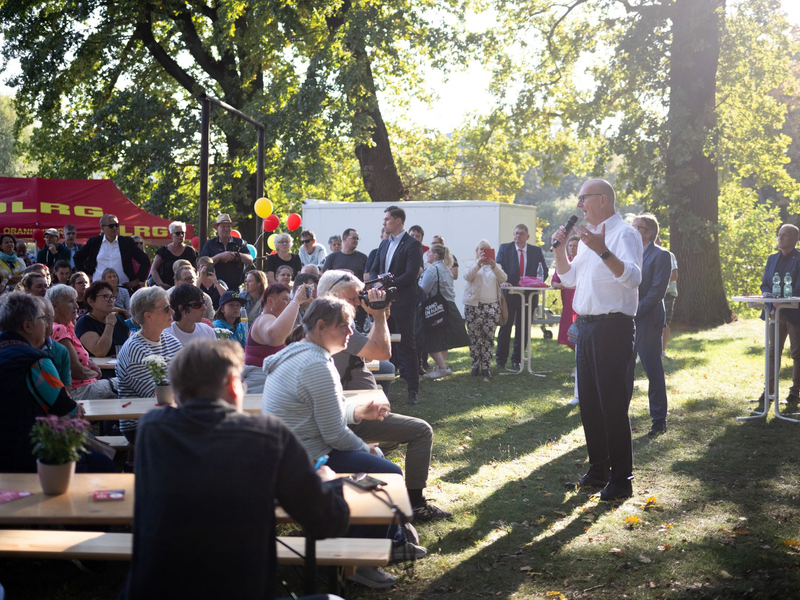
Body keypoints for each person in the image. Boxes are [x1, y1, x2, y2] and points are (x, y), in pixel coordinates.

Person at [119, 339, 350, 600]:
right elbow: (328, 523)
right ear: (232, 384)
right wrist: (329, 482)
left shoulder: (152, 428)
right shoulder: (269, 435)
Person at [262, 297, 419, 589]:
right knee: (387, 474)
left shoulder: (298, 353)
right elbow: (334, 435)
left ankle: (389, 539)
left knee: (374, 464)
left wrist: (358, 414)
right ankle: (359, 562)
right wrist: (366, 447)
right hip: (305, 459)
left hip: (286, 453)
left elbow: (319, 412)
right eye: (344, 326)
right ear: (321, 326)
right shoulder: (316, 364)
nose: (351, 331)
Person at [318, 271, 451, 522]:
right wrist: (378, 316)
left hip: (352, 408)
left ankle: (368, 478)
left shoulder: (327, 322)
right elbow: (382, 353)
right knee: (421, 431)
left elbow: (367, 352)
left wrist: (381, 317)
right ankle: (415, 503)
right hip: (349, 415)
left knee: (386, 443)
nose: (359, 301)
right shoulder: (336, 324)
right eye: (353, 297)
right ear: (333, 294)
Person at [553, 179, 642, 502]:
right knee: (589, 404)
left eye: (584, 198)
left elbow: (633, 278)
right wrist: (561, 249)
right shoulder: (588, 238)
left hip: (613, 329)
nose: (579, 205)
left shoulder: (624, 234)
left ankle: (622, 479)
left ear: (602, 200)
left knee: (612, 405)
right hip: (587, 328)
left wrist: (602, 250)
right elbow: (569, 278)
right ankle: (598, 470)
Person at [0, 292, 114, 474]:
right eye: (42, 319)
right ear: (28, 326)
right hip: (30, 455)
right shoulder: (36, 362)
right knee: (104, 465)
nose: (47, 325)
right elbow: (68, 409)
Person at [370, 205, 424, 405]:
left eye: (387, 219)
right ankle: (381, 386)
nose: (384, 223)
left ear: (398, 221)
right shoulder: (384, 244)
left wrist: (385, 283)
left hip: (403, 302)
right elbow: (375, 268)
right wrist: (377, 282)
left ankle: (412, 390)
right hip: (382, 302)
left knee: (407, 344)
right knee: (381, 342)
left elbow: (410, 276)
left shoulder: (412, 245)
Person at [117, 286, 183, 444]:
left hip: (169, 416)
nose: (172, 312)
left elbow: (190, 376)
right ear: (148, 315)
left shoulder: (170, 340)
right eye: (166, 308)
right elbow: (157, 398)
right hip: (142, 424)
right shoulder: (135, 350)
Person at [630, 214, 672, 436]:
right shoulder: (630, 254)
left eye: (636, 227)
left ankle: (659, 420)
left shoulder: (661, 255)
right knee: (625, 370)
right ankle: (619, 418)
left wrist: (634, 310)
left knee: (652, 371)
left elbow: (657, 291)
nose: (632, 229)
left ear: (648, 233)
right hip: (627, 319)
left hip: (648, 320)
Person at [47, 284, 118, 400]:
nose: (76, 306)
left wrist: (90, 363)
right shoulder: (58, 329)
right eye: (70, 302)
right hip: (79, 391)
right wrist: (95, 374)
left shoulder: (68, 326)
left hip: (86, 386)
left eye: (75, 301)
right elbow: (77, 372)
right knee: (129, 383)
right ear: (55, 306)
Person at [496, 223, 548, 371]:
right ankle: (501, 359)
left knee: (523, 328)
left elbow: (543, 271)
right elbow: (498, 267)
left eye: (521, 234)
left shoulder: (535, 251)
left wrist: (538, 282)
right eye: (516, 233)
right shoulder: (505, 249)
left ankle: (517, 360)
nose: (518, 236)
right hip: (510, 294)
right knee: (505, 327)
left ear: (528, 236)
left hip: (528, 295)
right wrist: (503, 281)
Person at [758, 223, 800, 409]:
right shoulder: (771, 259)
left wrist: (781, 303)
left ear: (794, 239)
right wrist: (772, 305)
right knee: (772, 352)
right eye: (779, 234)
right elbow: (765, 285)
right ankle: (770, 391)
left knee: (797, 354)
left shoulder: (799, 259)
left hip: (794, 314)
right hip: (774, 313)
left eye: (784, 235)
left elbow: (798, 287)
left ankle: (794, 393)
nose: (780, 238)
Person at [418, 244, 470, 379]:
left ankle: (442, 368)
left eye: (429, 252)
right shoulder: (447, 268)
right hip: (448, 307)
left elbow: (423, 290)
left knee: (429, 339)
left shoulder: (432, 269)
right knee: (443, 340)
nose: (427, 254)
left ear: (435, 255)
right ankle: (439, 369)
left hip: (435, 308)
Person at [463, 239, 508, 379]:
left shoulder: (496, 266)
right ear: (476, 252)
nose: (483, 252)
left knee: (488, 338)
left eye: (486, 249)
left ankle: (486, 366)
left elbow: (504, 278)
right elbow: (467, 276)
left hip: (491, 306)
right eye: (480, 249)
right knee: (474, 338)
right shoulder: (471, 264)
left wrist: (494, 266)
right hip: (473, 306)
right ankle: (475, 365)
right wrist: (478, 264)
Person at [74, 214, 151, 289]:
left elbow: (145, 260)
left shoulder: (127, 242)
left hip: (122, 287)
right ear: (102, 228)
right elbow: (77, 257)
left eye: (116, 225)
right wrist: (86, 275)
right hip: (98, 287)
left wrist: (137, 280)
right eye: (111, 226)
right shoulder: (94, 242)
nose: (114, 228)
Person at [245, 283, 311, 367]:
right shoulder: (264, 318)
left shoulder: (274, 321)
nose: (288, 303)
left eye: (289, 300)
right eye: (285, 299)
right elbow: (275, 337)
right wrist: (296, 301)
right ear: (270, 301)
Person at [551, 235, 580, 405]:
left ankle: (579, 367)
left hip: (580, 308)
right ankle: (579, 363)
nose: (572, 248)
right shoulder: (565, 263)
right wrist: (559, 285)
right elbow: (554, 281)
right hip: (567, 307)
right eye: (570, 246)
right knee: (569, 338)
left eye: (575, 246)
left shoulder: (582, 262)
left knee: (578, 340)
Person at [75, 281, 130, 357]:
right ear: (90, 301)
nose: (111, 300)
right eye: (106, 297)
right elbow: (100, 352)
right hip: (98, 368)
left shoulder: (118, 319)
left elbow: (130, 344)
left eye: (112, 297)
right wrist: (109, 325)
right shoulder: (84, 323)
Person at [199, 213, 253, 291]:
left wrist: (236, 256)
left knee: (234, 303)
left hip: (235, 288)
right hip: (214, 287)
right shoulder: (210, 244)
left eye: (228, 226)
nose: (226, 229)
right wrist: (220, 257)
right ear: (217, 228)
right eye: (223, 226)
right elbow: (204, 265)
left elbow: (250, 260)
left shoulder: (240, 242)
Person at [149, 221, 197, 289]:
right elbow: (154, 269)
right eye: (177, 233)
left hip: (186, 288)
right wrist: (161, 284)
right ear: (171, 235)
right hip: (166, 288)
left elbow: (195, 270)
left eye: (183, 233)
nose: (181, 235)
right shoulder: (163, 251)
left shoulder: (190, 251)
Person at [659, 236, 678, 359]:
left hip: (666, 294)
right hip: (649, 294)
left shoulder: (667, 255)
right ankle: (644, 353)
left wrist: (656, 283)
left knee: (664, 322)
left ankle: (662, 351)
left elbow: (674, 275)